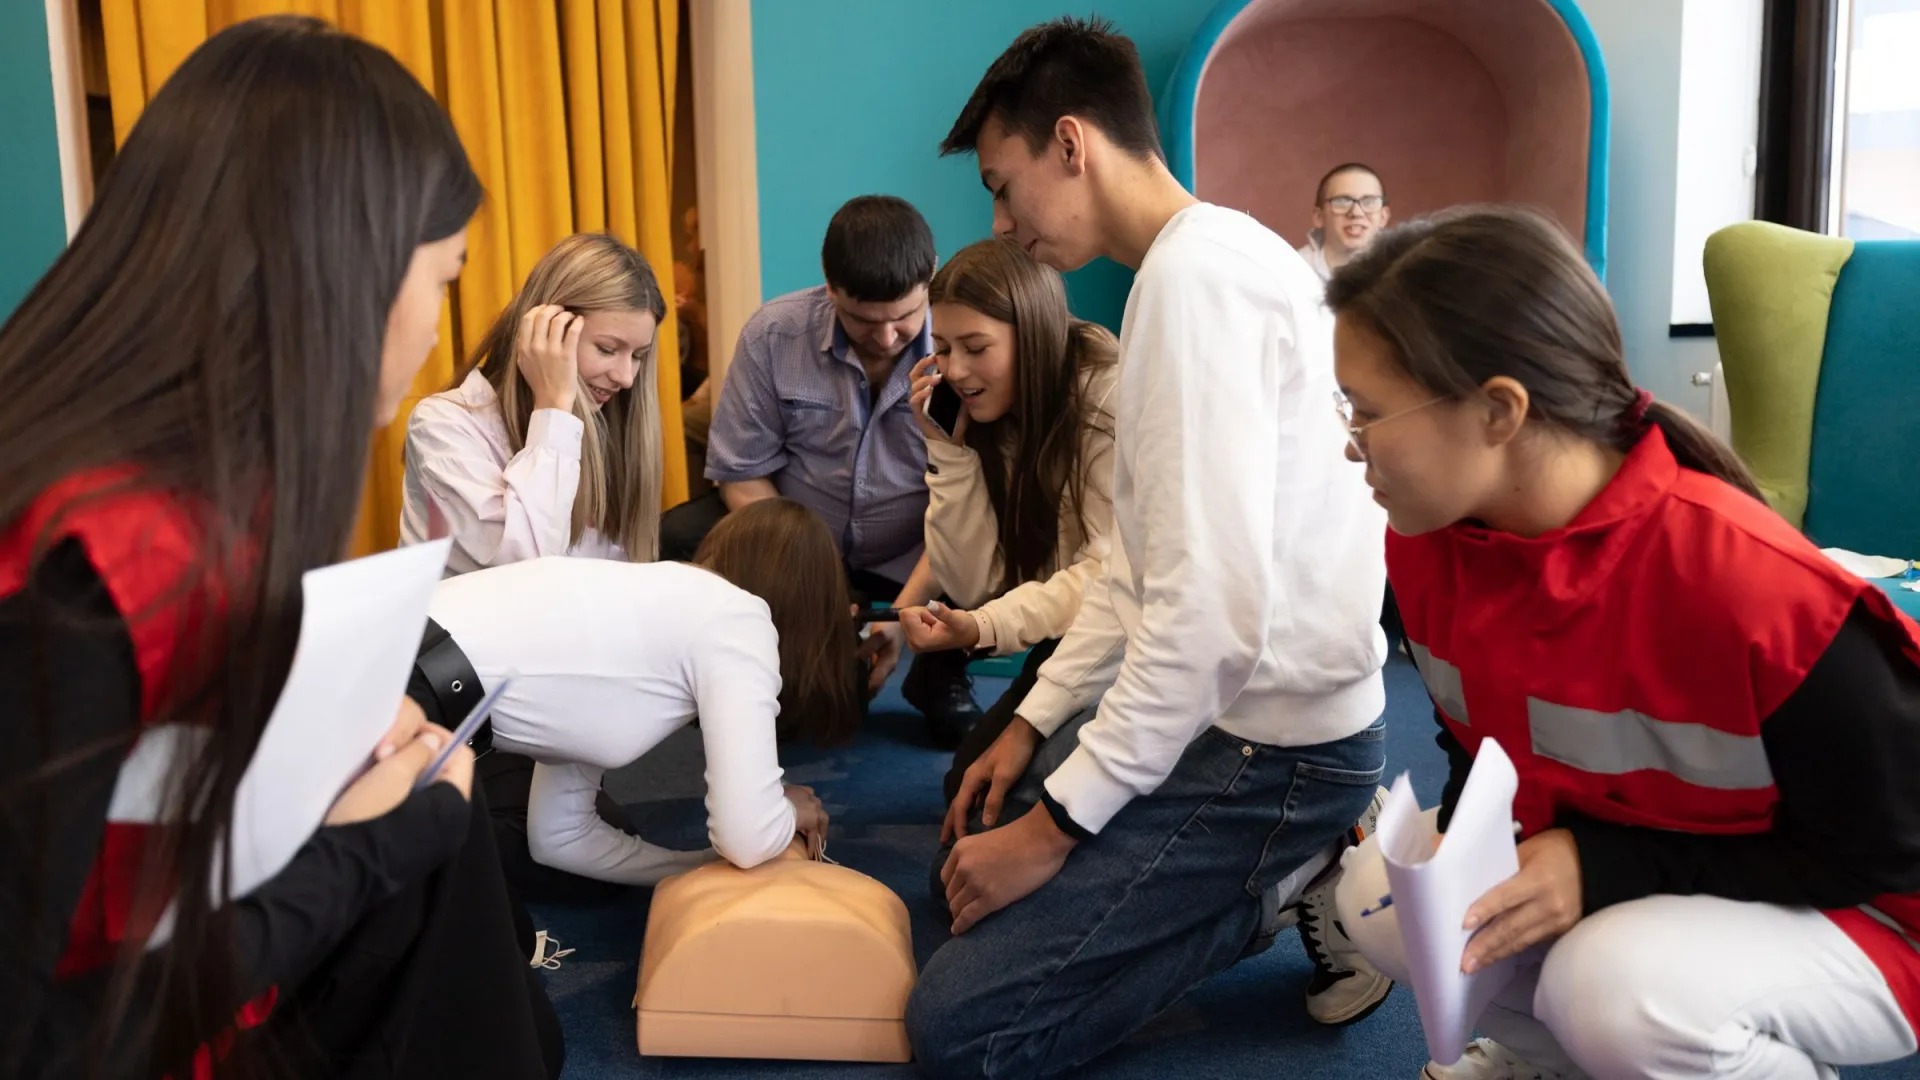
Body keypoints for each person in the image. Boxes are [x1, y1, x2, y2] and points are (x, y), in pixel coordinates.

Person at [0, 16, 562, 1079]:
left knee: (436, 822)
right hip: (116, 1025)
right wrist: (362, 850)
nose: (439, 329)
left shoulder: (169, 483)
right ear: (340, 267)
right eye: (442, 281)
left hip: (165, 956)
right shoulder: (78, 568)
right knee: (436, 849)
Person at [905, 18, 1396, 1078]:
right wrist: (1032, 725)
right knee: (961, 853)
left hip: (1280, 752)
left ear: (1071, 145)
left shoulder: (1193, 283)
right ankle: (1255, 867)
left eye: (1004, 183)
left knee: (961, 1028)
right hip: (1240, 715)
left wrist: (1054, 833)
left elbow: (1208, 622)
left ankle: (1289, 881)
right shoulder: (1205, 261)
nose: (1000, 218)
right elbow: (1135, 575)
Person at [1327, 205, 1920, 1079]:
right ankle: (1566, 1063)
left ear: (1499, 410)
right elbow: (1481, 747)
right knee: (1380, 900)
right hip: (1670, 874)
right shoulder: (1425, 549)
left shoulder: (1753, 591)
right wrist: (1464, 838)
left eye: (1367, 411)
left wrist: (1604, 868)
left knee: (1604, 988)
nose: (1350, 445)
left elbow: (1885, 849)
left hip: (1875, 915)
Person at [660, 194, 981, 745]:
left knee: (993, 541)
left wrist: (902, 614)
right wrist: (810, 578)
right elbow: (740, 473)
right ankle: (730, 678)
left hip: (922, 546)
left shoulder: (968, 349)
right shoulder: (773, 335)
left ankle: (939, 677)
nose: (885, 339)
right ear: (829, 290)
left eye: (904, 319)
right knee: (678, 540)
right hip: (806, 541)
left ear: (929, 280)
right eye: (863, 321)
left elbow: (971, 503)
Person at [416, 498, 858, 885]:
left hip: (401, 659)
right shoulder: (740, 619)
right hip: (409, 684)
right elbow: (747, 835)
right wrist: (785, 815)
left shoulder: (647, 611)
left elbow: (559, 838)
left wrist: (699, 870)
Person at [889, 237, 1118, 808]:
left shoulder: (1106, 398)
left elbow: (1111, 580)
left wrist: (983, 626)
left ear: (1034, 335)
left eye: (975, 347)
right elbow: (974, 583)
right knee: (964, 792)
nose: (955, 370)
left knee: (1004, 809)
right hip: (1072, 630)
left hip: (1131, 636)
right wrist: (949, 456)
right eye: (942, 348)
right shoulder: (989, 412)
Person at [401, 231, 668, 572]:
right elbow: (528, 570)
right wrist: (554, 407)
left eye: (638, 355)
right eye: (607, 349)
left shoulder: (611, 422)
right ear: (545, 331)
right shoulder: (442, 426)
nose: (626, 377)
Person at [1298, 163, 1391, 281]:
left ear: (1383, 217)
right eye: (1341, 201)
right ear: (1319, 217)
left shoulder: (1403, 272)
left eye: (1369, 201)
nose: (1356, 212)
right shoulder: (1292, 271)